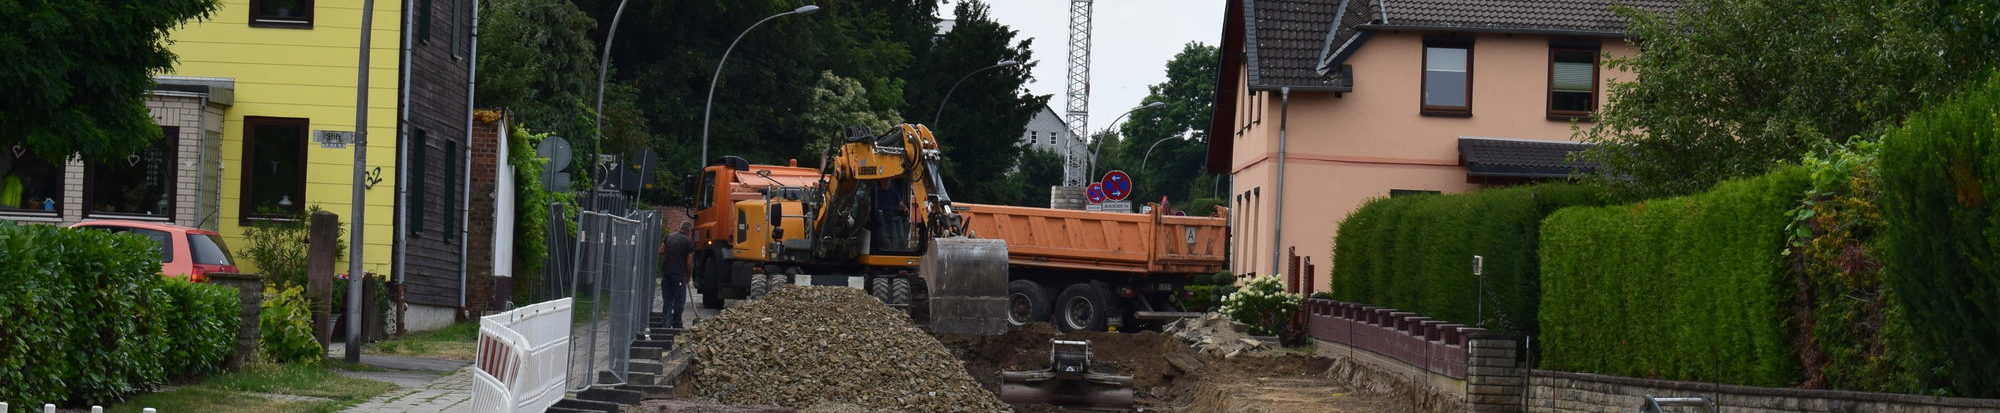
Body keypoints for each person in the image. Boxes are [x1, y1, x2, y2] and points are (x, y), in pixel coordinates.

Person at [658, 221, 695, 328]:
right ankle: (677, 323)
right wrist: (688, 277)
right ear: (689, 231)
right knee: (679, 300)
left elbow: (660, 251)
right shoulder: (688, 242)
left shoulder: (669, 236)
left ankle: (665, 322)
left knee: (668, 299)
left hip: (666, 273)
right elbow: (689, 263)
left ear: (680, 228)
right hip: (679, 274)